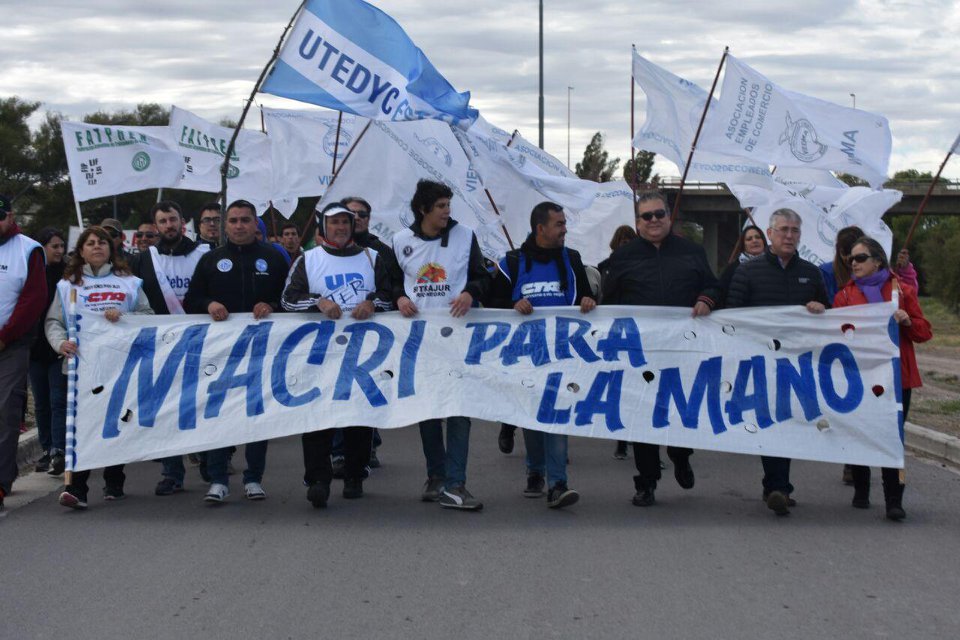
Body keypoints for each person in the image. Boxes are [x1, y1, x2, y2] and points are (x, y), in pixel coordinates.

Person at [601, 191, 720, 507]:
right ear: (638, 223)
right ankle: (646, 481)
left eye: (659, 214)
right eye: (646, 216)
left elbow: (713, 285)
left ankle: (681, 456)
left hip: (682, 350)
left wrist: (706, 299)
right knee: (642, 417)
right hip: (641, 352)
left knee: (680, 410)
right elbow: (608, 303)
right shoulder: (623, 258)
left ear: (669, 217)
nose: (653, 220)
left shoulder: (692, 251)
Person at [281, 203, 393, 507]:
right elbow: (288, 299)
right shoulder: (309, 259)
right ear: (323, 227)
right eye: (334, 223)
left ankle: (355, 474)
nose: (341, 227)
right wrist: (318, 302)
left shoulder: (373, 258)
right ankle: (318, 479)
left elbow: (390, 296)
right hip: (319, 351)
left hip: (362, 352)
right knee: (317, 416)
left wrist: (372, 303)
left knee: (359, 415)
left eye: (345, 222)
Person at [489, 201, 596, 509]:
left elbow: (586, 295)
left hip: (563, 350)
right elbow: (493, 300)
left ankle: (558, 483)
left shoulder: (571, 259)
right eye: (559, 224)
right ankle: (535, 470)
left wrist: (589, 301)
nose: (565, 229)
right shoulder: (512, 262)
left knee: (556, 414)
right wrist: (512, 306)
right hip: (524, 353)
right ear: (541, 229)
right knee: (532, 416)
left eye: (564, 223)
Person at [392, 180, 491, 511]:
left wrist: (470, 292)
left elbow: (483, 275)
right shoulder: (400, 241)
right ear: (423, 209)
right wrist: (400, 297)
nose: (448, 212)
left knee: (459, 411)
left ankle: (455, 484)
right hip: (419, 341)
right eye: (441, 206)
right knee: (429, 412)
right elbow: (389, 281)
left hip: (458, 338)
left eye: (449, 205)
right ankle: (436, 478)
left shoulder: (465, 236)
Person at [183, 200, 289, 504]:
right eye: (234, 221)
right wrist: (209, 305)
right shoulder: (211, 260)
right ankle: (218, 479)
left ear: (256, 224)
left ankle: (254, 478)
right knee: (220, 414)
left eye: (245, 220)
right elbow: (192, 300)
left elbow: (292, 298)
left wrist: (273, 306)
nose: (239, 225)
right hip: (221, 352)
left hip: (263, 350)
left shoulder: (274, 258)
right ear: (225, 225)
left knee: (257, 414)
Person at [726, 208, 829, 516]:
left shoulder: (811, 273)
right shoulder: (748, 271)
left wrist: (820, 306)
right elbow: (732, 314)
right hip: (759, 362)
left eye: (794, 231)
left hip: (797, 365)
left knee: (788, 421)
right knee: (770, 422)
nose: (789, 235)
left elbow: (831, 312)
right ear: (770, 234)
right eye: (783, 229)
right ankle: (778, 488)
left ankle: (776, 485)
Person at [47, 227, 153, 509]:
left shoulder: (129, 283)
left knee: (116, 421)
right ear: (81, 250)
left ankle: (114, 480)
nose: (97, 247)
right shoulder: (68, 285)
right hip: (81, 368)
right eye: (90, 243)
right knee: (82, 427)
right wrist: (60, 344)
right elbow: (53, 322)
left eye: (102, 243)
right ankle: (76, 488)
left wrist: (125, 316)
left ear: (111, 248)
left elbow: (148, 316)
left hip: (119, 365)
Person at [833, 236, 931, 520]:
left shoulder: (902, 290)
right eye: (851, 259)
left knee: (892, 437)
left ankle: (893, 499)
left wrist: (908, 321)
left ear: (878, 260)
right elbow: (835, 336)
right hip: (860, 376)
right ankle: (861, 490)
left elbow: (925, 332)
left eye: (860, 258)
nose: (854, 263)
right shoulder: (844, 295)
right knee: (860, 431)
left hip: (897, 379)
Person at [130, 200, 210, 496]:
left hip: (201, 341)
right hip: (159, 345)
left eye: (172, 219)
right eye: (162, 221)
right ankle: (171, 472)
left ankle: (209, 462)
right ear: (156, 225)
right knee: (166, 410)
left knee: (201, 406)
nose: (168, 226)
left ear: (182, 222)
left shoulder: (204, 254)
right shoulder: (143, 259)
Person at [341, 196, 401, 469]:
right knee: (340, 392)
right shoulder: (327, 251)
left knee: (368, 391)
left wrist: (373, 303)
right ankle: (339, 451)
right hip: (336, 337)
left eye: (363, 213)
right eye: (351, 214)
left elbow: (392, 290)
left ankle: (369, 446)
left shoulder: (382, 251)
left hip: (373, 336)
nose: (358, 218)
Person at [0, 195, 48, 511]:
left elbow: (33, 298)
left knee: (5, 413)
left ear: (10, 216)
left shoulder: (28, 249)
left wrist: (5, 336)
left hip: (10, 346)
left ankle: (1, 483)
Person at [28, 228, 67, 475]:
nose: (60, 251)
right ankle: (46, 448)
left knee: (57, 400)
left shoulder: (67, 276)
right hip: (34, 348)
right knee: (41, 402)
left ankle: (59, 450)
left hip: (58, 348)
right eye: (55, 246)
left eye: (62, 246)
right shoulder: (31, 273)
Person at [599, 224, 638, 460]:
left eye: (629, 241)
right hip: (615, 332)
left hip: (638, 333)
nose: (625, 246)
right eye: (622, 242)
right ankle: (621, 439)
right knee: (620, 387)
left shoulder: (645, 267)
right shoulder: (606, 268)